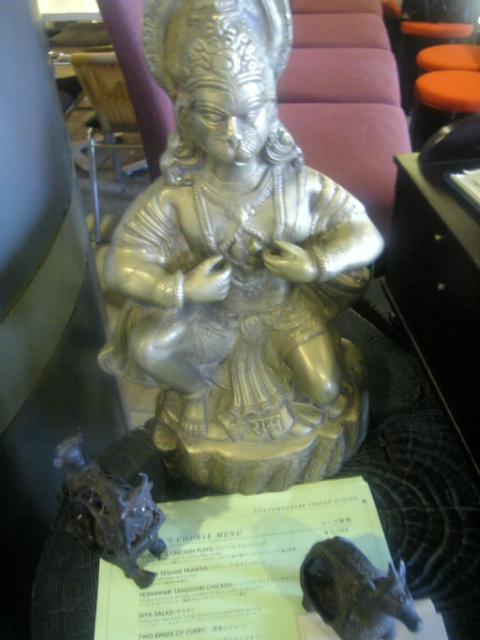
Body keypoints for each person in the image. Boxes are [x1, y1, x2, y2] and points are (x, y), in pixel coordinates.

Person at [99, 0, 384, 455]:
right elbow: (121, 267)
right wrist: (182, 289)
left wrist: (316, 263)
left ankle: (328, 357)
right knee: (148, 347)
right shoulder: (175, 196)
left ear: (272, 110)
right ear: (188, 117)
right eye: (214, 116)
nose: (233, 132)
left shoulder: (299, 186)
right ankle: (195, 391)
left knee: (326, 389)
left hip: (284, 311)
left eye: (249, 113)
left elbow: (365, 234)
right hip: (212, 317)